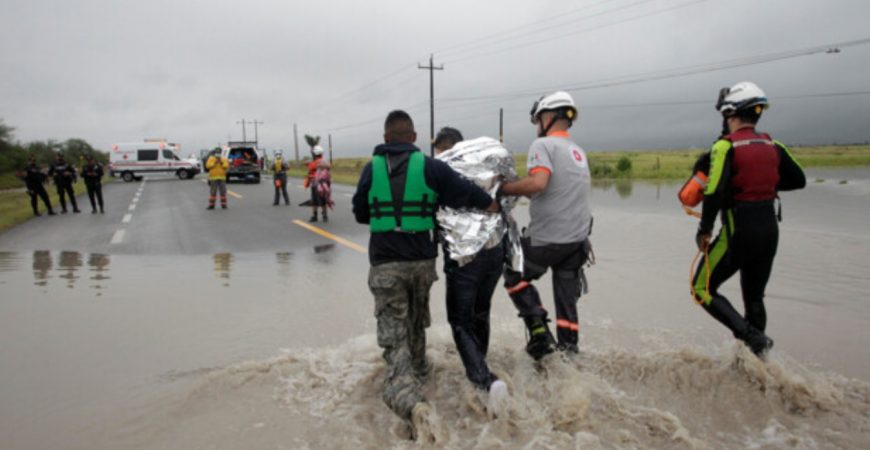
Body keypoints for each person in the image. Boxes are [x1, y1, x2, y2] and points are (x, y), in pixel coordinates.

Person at [352, 110, 499, 439]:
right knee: (417, 323)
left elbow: (362, 213)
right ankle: (419, 372)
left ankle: (411, 403)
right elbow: (465, 192)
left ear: (386, 138)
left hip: (386, 265)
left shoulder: (370, 169)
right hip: (422, 265)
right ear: (414, 137)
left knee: (395, 341)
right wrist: (492, 205)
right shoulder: (432, 168)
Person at [692, 81, 806, 358]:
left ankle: (752, 338)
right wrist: (764, 186)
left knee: (701, 288)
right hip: (769, 231)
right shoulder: (772, 144)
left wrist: (704, 230)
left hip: (739, 232)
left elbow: (715, 190)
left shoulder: (724, 147)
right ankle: (756, 363)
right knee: (754, 298)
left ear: (732, 113)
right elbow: (798, 180)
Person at [499, 91, 593, 360]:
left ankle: (538, 331)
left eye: (538, 119)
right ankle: (569, 352)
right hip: (576, 243)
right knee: (566, 304)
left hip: (548, 241)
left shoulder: (542, 146)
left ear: (549, 117)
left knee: (513, 274)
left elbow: (538, 183)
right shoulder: (577, 151)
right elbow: (555, 190)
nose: (537, 125)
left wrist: (504, 188)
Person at [433, 127, 507, 397]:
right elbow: (507, 196)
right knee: (481, 312)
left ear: (443, 148)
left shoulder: (442, 168)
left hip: (465, 259)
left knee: (460, 321)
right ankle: (480, 363)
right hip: (495, 252)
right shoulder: (488, 165)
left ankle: (484, 383)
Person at [305, 145, 327, 222]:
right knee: (323, 199)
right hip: (324, 184)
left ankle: (315, 216)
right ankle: (325, 215)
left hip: (315, 184)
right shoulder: (324, 161)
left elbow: (309, 169)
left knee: (314, 200)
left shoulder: (314, 163)